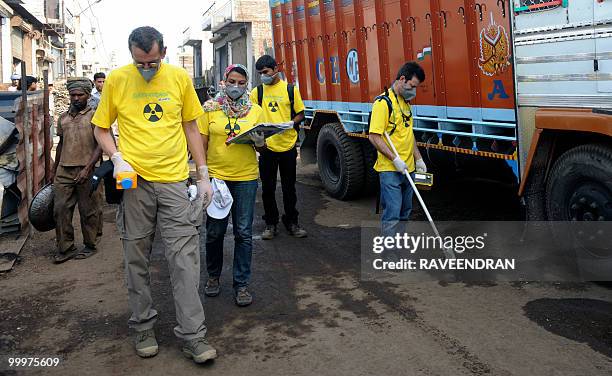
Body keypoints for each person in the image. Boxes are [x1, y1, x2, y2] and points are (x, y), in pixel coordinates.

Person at [92, 26, 216, 363]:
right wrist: (116, 158)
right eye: (140, 63)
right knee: (136, 258)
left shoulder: (178, 78)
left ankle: (193, 335)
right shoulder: (118, 80)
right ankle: (143, 327)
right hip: (135, 183)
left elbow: (192, 126)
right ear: (132, 55)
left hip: (175, 182)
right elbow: (101, 127)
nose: (146, 68)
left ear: (163, 53)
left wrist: (203, 174)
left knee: (185, 261)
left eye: (152, 62)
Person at [199, 64, 265, 307]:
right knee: (215, 231)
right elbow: (201, 145)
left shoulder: (255, 111)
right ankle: (213, 277)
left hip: (246, 177)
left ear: (246, 84)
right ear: (223, 81)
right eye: (232, 81)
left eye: (241, 82)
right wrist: (201, 176)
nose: (236, 86)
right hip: (217, 179)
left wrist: (260, 142)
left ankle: (242, 284)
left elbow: (262, 147)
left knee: (243, 233)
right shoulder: (209, 110)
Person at [250, 55, 307, 240]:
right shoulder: (256, 93)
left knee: (289, 188)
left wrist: (292, 123)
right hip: (266, 148)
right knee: (267, 188)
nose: (263, 76)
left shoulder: (290, 90)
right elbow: (251, 117)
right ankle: (270, 223)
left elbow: (301, 113)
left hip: (288, 145)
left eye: (265, 72)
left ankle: (291, 222)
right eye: (260, 74)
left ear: (275, 69)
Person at [368, 62, 426, 236]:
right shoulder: (383, 103)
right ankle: (389, 254)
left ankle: (398, 246)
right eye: (412, 86)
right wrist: (395, 159)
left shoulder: (406, 103)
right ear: (402, 79)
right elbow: (374, 136)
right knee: (392, 214)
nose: (414, 91)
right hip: (390, 170)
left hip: (409, 168)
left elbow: (409, 135)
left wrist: (419, 159)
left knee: (405, 213)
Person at [50, 77, 103, 263]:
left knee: (89, 210)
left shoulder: (96, 116)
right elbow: (61, 145)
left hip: (87, 169)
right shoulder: (63, 118)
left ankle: (90, 245)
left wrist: (88, 168)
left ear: (88, 95)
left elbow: (101, 145)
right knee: (60, 209)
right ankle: (66, 247)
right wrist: (54, 170)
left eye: (80, 94)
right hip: (64, 169)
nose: (76, 98)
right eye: (73, 95)